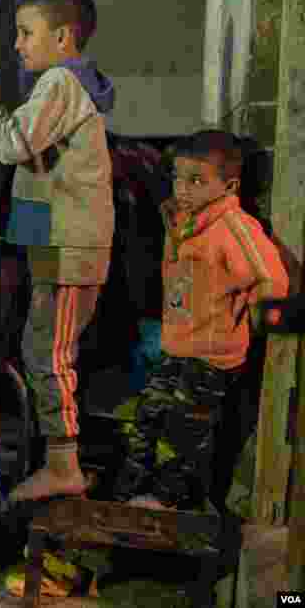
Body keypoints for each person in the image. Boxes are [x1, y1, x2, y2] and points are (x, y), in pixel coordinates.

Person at [0, 0, 116, 502]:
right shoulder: (62, 85)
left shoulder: (61, 81)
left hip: (67, 248)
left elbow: (12, 143)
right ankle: (54, 458)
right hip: (52, 244)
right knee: (42, 351)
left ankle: (64, 466)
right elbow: (33, 159)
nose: (16, 44)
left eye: (25, 33)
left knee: (47, 355)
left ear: (62, 37)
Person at [111, 131, 287, 510]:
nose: (183, 189)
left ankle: (166, 502)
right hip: (177, 347)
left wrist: (253, 319)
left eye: (197, 181)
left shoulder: (234, 227)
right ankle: (129, 496)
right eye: (178, 178)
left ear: (230, 186)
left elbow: (270, 278)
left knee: (183, 435)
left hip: (211, 357)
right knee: (146, 420)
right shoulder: (183, 222)